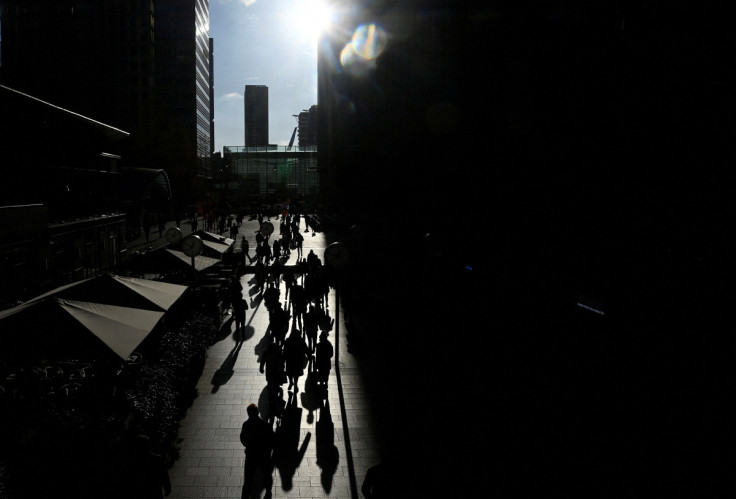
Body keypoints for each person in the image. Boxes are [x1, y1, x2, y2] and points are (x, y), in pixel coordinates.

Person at [240, 404, 275, 499]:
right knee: (266, 474)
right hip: (262, 455)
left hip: (251, 455)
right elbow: (272, 439)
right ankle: (268, 492)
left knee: (248, 477)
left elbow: (243, 439)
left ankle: (246, 495)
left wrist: (249, 444)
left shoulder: (246, 425)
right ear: (258, 412)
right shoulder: (265, 425)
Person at [130, 434, 171, 498]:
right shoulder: (157, 459)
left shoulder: (134, 462)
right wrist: (167, 488)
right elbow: (164, 476)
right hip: (156, 491)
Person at [283, 328, 309, 393]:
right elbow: (306, 349)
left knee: (290, 372)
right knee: (296, 374)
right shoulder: (301, 341)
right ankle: (295, 384)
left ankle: (291, 382)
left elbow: (285, 350)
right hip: (298, 360)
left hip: (290, 360)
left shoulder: (288, 341)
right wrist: (309, 355)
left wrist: (283, 358)